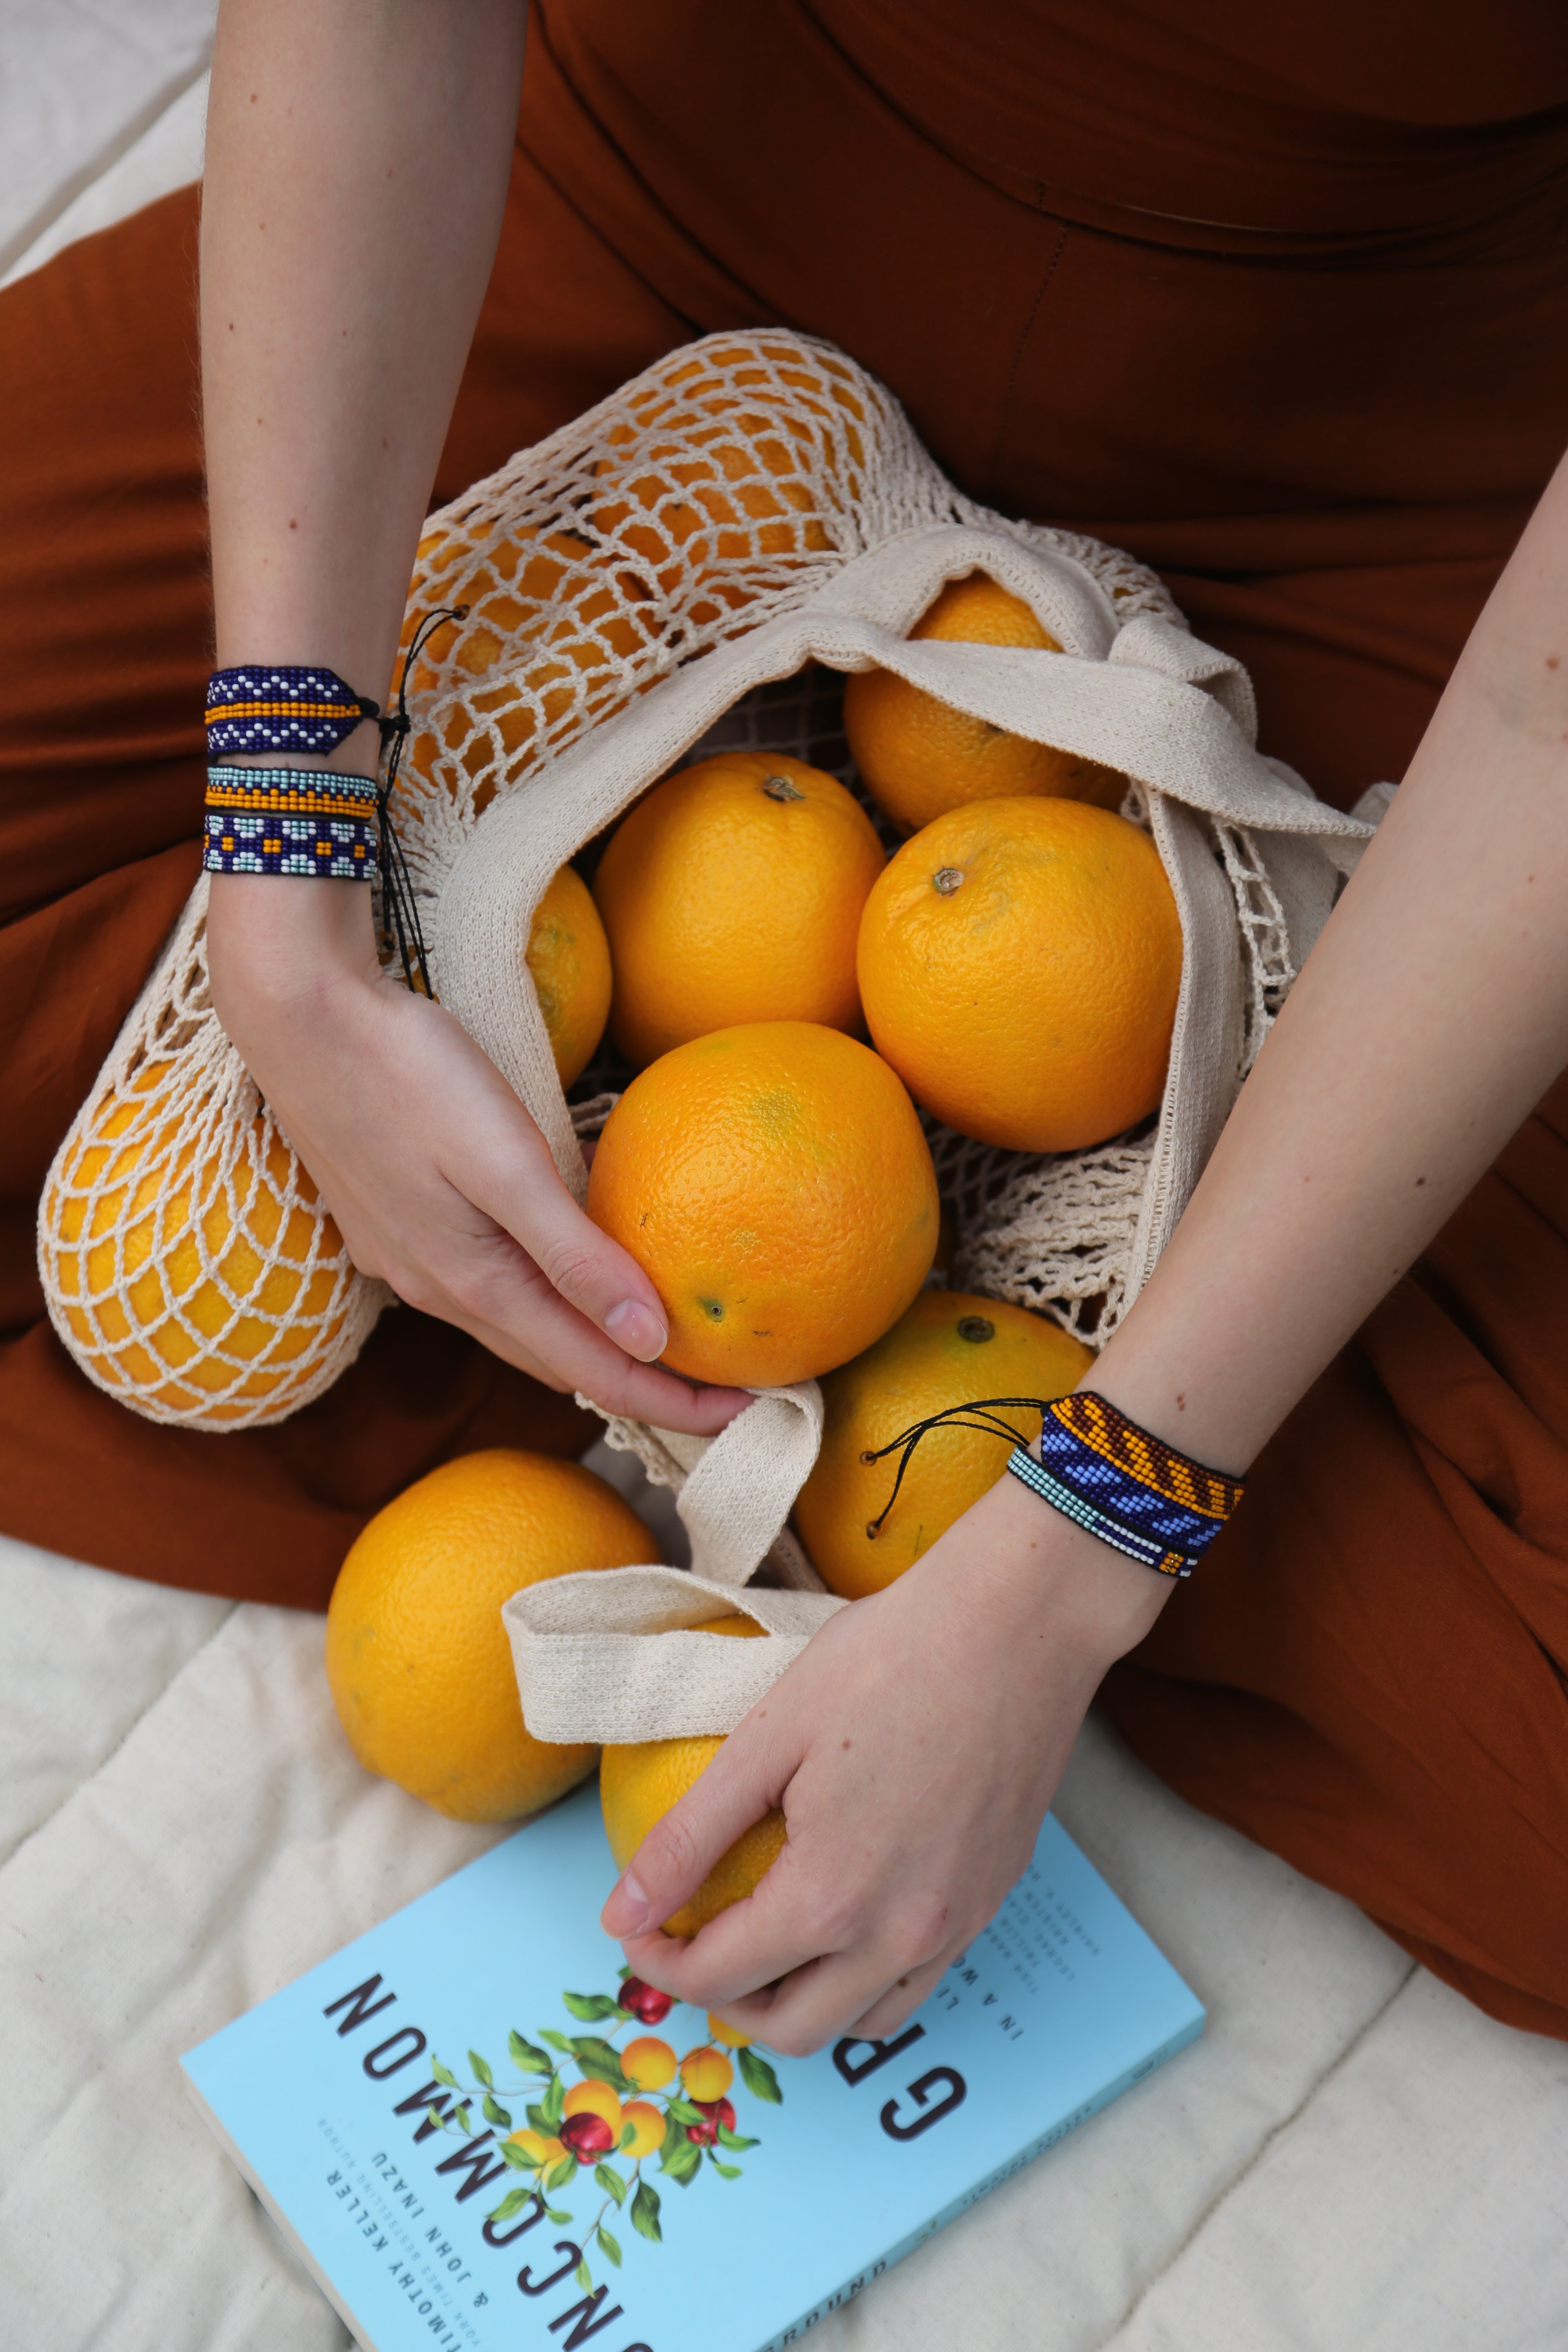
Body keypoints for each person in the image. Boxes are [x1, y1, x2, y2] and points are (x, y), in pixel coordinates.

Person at [6, 0, 1568, 2046]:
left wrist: (1083, 1549)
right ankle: (752, 1227)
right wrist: (288, 911)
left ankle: (852, 1308)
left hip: (1380, 496)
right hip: (660, 218)